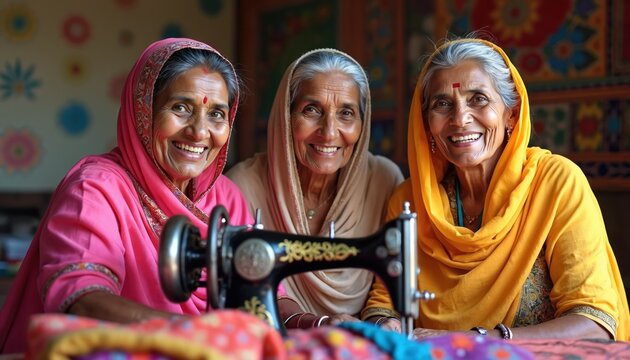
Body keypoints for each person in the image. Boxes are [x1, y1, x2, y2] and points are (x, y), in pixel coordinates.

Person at [363, 36, 629, 340]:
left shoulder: (555, 183)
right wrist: (384, 323)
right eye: (442, 104)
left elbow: (594, 323)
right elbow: (384, 303)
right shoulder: (411, 201)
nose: (460, 119)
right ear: (427, 126)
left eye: (478, 99)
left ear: (510, 115)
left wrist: (477, 340)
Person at [0, 38, 253, 353]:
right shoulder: (95, 188)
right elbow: (84, 299)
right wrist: (195, 335)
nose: (199, 132)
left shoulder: (225, 199)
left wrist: (312, 322)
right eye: (181, 108)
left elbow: (254, 289)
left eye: (216, 114)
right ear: (143, 111)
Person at [227, 49, 404, 328]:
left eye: (346, 113)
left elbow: (387, 289)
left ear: (363, 122)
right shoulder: (242, 187)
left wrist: (382, 319)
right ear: (286, 116)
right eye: (312, 110)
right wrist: (315, 323)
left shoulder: (383, 181)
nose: (329, 132)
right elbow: (241, 292)